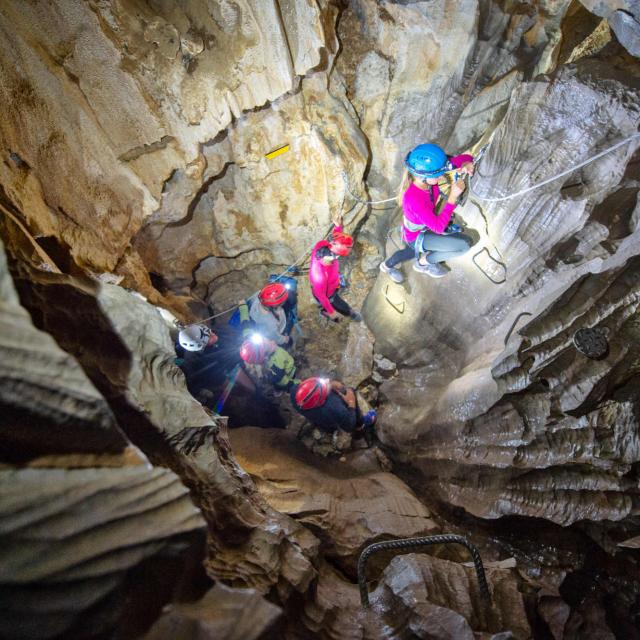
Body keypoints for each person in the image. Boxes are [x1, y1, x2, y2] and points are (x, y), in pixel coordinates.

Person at [379, 143, 475, 283]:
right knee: (462, 245)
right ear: (423, 177)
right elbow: (438, 227)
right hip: (415, 236)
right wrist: (452, 197)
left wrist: (466, 163)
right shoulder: (413, 198)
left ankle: (406, 262)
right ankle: (417, 264)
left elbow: (463, 158)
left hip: (422, 226)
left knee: (409, 252)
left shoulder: (430, 174)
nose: (442, 175)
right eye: (438, 174)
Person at [290, 377, 376, 443]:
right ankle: (360, 426)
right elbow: (349, 425)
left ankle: (327, 429)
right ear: (321, 400)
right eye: (325, 387)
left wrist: (330, 384)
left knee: (324, 422)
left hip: (316, 417)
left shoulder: (294, 391)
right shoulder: (334, 408)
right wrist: (351, 402)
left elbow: (314, 391)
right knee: (351, 391)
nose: (327, 381)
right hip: (330, 418)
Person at [309, 217, 362, 323]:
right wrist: (332, 312)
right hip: (328, 294)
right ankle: (339, 312)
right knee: (337, 305)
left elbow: (335, 241)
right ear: (335, 256)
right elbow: (322, 296)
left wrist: (338, 227)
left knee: (331, 298)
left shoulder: (322, 245)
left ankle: (326, 309)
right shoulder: (320, 277)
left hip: (331, 284)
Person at [248, 282, 294, 347]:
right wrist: (285, 339)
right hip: (275, 330)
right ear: (275, 306)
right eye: (283, 301)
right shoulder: (270, 323)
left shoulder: (259, 296)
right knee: (289, 323)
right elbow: (275, 337)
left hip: (259, 320)